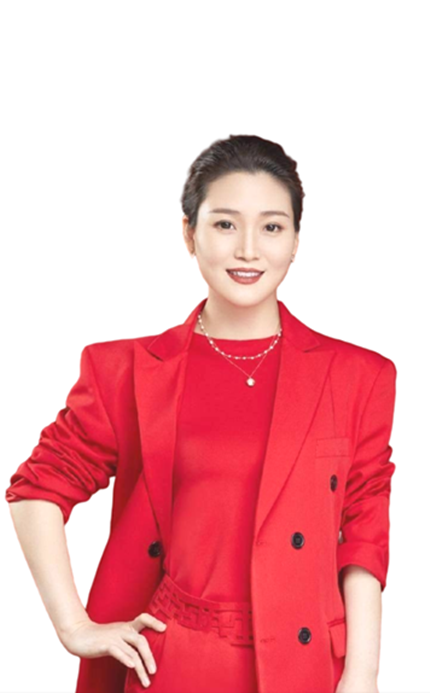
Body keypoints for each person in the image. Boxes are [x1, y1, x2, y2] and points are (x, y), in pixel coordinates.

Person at [5, 134, 397, 693]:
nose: (248, 250)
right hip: (175, 662)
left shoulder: (359, 376)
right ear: (189, 234)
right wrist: (74, 626)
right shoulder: (126, 371)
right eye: (225, 224)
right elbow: (38, 488)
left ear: (295, 241)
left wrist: (362, 673)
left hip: (308, 667)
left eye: (272, 227)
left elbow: (363, 531)